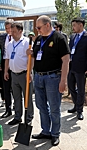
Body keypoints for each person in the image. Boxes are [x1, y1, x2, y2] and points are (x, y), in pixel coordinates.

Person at [28, 15, 70, 146]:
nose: (37, 30)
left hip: (53, 77)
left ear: (47, 25)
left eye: (39, 27)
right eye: (36, 28)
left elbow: (66, 60)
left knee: (54, 108)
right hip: (38, 77)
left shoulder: (59, 38)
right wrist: (30, 69)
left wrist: (63, 80)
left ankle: (55, 133)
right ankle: (46, 130)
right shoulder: (39, 39)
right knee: (41, 106)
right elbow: (34, 56)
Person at [5, 22, 34, 125]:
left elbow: (32, 58)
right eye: (11, 31)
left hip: (24, 74)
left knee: (27, 97)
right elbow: (7, 58)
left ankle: (29, 117)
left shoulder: (26, 42)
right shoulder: (9, 44)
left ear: (20, 31)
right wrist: (6, 71)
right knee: (16, 97)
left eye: (14, 31)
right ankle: (17, 116)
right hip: (14, 74)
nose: (11, 33)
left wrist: (29, 72)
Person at [67, 17, 87, 120]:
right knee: (70, 87)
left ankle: (80, 110)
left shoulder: (86, 37)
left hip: (81, 68)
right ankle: (76, 105)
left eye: (74, 25)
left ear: (81, 25)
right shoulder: (73, 36)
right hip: (71, 67)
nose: (73, 27)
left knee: (81, 90)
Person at [0, 19, 14, 118]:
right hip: (4, 64)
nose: (8, 30)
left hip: (15, 63)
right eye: (6, 28)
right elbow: (0, 50)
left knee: (15, 88)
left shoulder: (18, 37)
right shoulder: (2, 37)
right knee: (5, 88)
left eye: (10, 28)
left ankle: (17, 107)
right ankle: (8, 109)